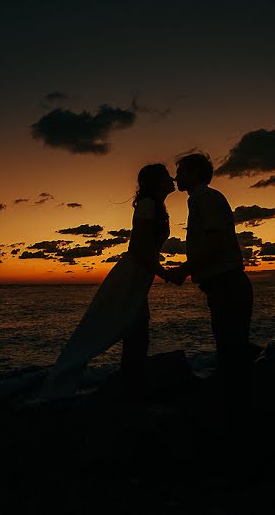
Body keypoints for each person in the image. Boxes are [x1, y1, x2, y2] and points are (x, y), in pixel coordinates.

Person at [41, 164, 175, 398]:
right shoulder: (147, 205)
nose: (172, 178)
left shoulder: (157, 205)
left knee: (135, 330)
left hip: (140, 275)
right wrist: (164, 273)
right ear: (155, 181)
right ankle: (122, 388)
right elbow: (138, 249)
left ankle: (129, 386)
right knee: (110, 328)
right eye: (165, 176)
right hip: (132, 274)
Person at [163, 153, 253, 388]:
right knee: (231, 350)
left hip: (227, 284)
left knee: (231, 354)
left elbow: (215, 243)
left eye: (181, 171)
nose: (176, 177)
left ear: (194, 173)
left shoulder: (204, 197)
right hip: (223, 284)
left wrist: (184, 269)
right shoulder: (200, 199)